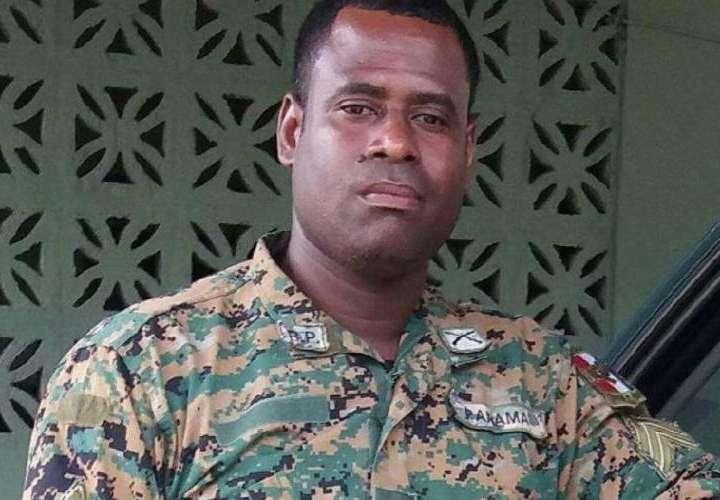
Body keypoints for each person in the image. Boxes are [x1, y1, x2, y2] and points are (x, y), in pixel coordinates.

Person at [23, 1, 720, 498]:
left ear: (468, 149)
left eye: (430, 117)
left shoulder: (545, 382)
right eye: (358, 108)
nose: (395, 141)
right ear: (292, 131)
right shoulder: (140, 367)